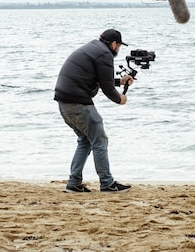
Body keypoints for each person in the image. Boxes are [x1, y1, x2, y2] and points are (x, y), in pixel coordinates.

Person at [54, 28, 135, 193]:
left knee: (85, 141)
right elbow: (106, 88)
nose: (118, 49)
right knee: (100, 141)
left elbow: (99, 79)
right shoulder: (104, 54)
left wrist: (120, 82)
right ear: (113, 44)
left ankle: (73, 183)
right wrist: (120, 99)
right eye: (119, 46)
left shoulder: (93, 49)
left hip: (64, 103)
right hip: (78, 103)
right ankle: (107, 183)